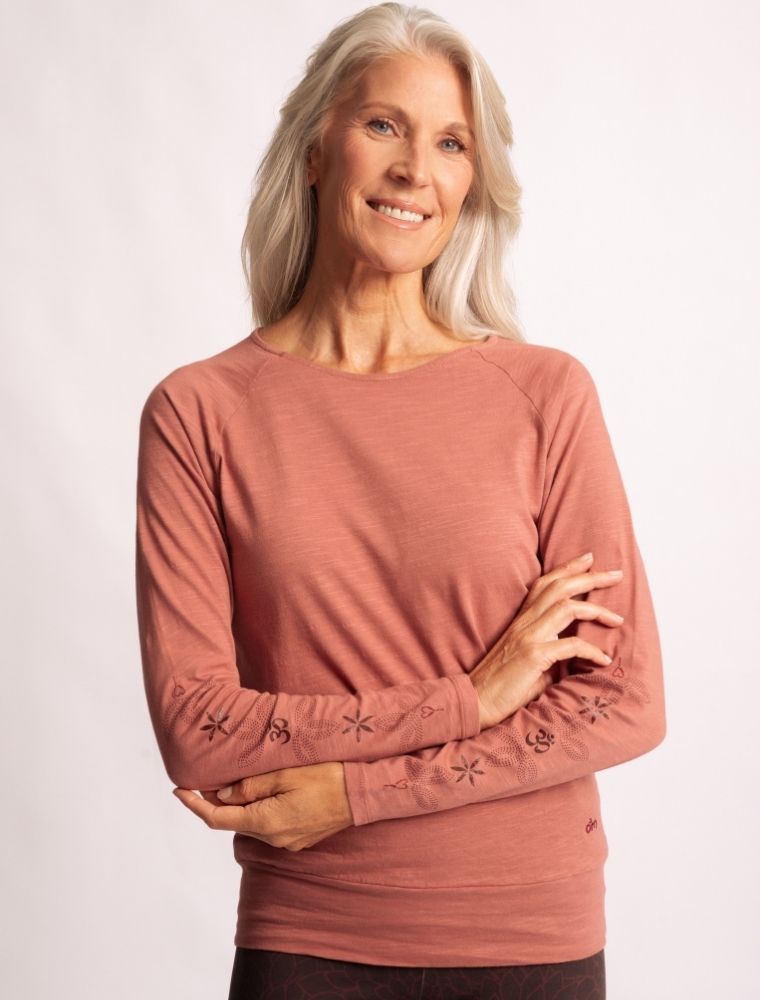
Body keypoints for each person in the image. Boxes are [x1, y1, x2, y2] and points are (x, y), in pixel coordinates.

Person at [134, 4, 667, 998]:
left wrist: (354, 793)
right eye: (384, 125)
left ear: (470, 183)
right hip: (312, 938)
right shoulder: (200, 412)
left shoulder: (543, 395)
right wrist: (472, 697)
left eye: (451, 143)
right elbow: (201, 730)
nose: (416, 168)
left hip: (530, 938)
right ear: (314, 150)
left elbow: (621, 701)